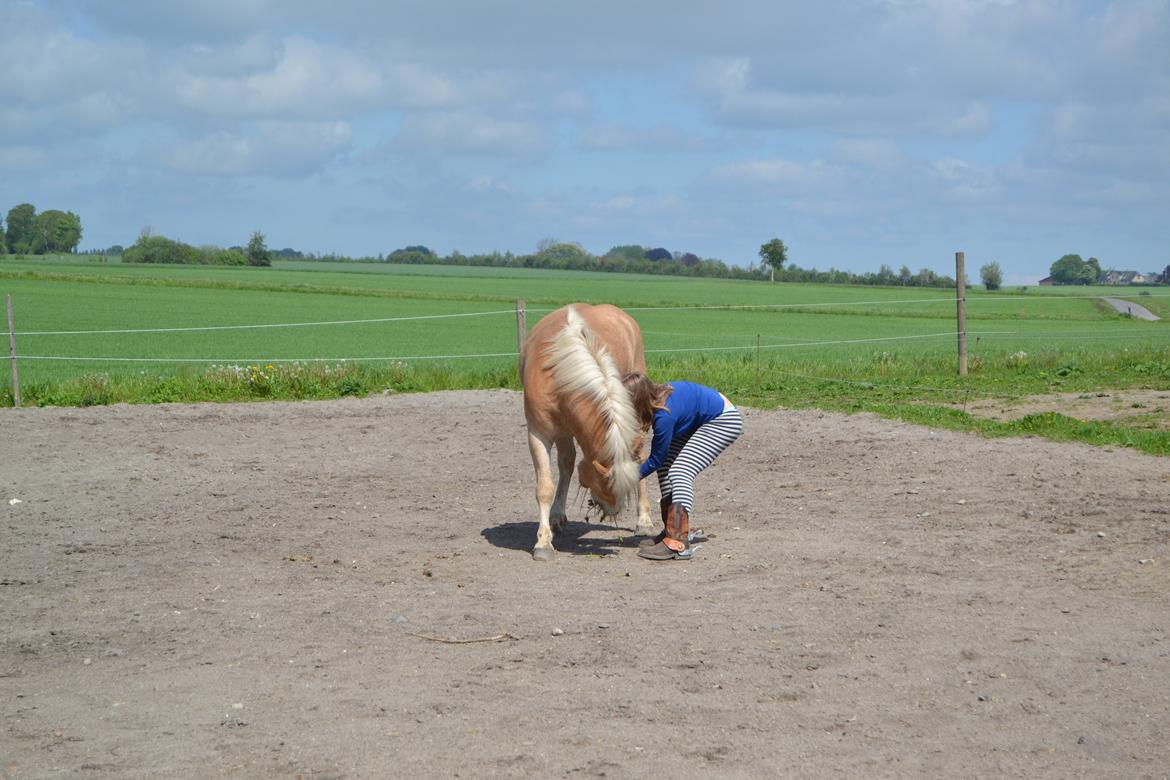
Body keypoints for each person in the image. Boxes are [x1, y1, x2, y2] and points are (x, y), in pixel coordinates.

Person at [622, 372, 743, 561]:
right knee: (666, 467)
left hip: (723, 420)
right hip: (697, 420)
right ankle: (671, 529)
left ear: (637, 402)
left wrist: (627, 479)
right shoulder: (658, 399)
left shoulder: (664, 416)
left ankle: (678, 542)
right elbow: (661, 461)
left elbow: (655, 459)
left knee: (680, 470)